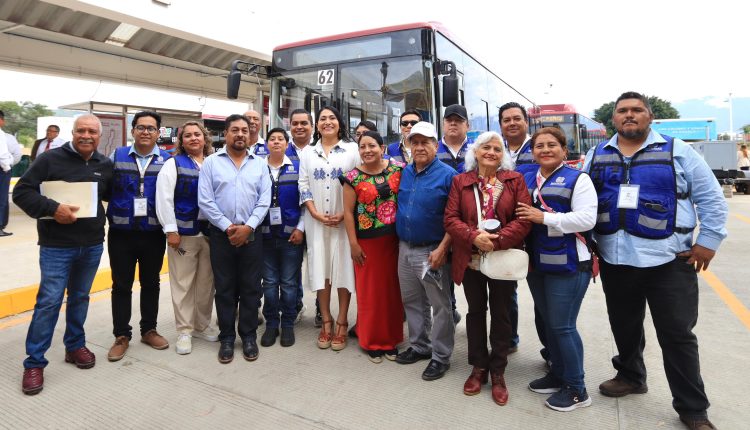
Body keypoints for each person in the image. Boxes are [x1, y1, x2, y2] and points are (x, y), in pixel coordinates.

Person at [584, 92, 728, 430]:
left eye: (637, 110)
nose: (629, 115)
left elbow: (711, 198)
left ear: (649, 117)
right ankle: (631, 376)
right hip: (616, 259)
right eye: (622, 111)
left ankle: (693, 409)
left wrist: (707, 242)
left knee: (677, 335)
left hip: (669, 261)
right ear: (613, 119)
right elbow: (583, 200)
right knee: (624, 326)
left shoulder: (679, 151)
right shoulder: (596, 154)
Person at [13, 114, 113, 395]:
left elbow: (111, 197)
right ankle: (34, 362)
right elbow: (21, 192)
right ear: (73, 132)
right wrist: (52, 208)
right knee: (49, 302)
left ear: (99, 136)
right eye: (81, 130)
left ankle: (74, 346)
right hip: (56, 246)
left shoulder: (104, 164)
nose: (86, 136)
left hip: (91, 244)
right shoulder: (49, 159)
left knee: (80, 297)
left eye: (92, 131)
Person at [444, 131, 531, 406]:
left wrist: (498, 240)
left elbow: (523, 219)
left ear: (502, 155)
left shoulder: (515, 180)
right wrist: (473, 237)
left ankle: (498, 371)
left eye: (497, 149)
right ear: (476, 152)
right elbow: (451, 219)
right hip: (471, 259)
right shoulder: (460, 181)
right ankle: (478, 366)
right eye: (486, 148)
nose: (491, 152)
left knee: (502, 313)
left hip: (502, 257)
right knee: (476, 312)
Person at [515, 127, 597, 412]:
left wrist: (545, 218)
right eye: (539, 146)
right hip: (538, 263)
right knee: (550, 323)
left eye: (552, 145)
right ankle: (558, 374)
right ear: (533, 152)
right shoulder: (529, 178)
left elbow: (587, 219)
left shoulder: (579, 179)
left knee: (563, 326)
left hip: (570, 264)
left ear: (564, 150)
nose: (545, 150)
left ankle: (577, 389)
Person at [198, 114, 271, 363]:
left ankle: (248, 337)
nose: (240, 134)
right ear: (226, 134)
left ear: (250, 134)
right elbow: (205, 200)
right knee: (225, 289)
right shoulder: (211, 163)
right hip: (222, 236)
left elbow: (264, 200)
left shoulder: (259, 164)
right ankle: (227, 338)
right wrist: (229, 227)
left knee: (251, 288)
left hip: (252, 235)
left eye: (244, 130)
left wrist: (248, 227)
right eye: (235, 130)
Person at [106, 111, 172, 362]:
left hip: (153, 233)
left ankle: (149, 330)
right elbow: (105, 188)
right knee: (121, 285)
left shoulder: (168, 160)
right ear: (132, 130)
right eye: (141, 127)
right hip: (121, 233)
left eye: (151, 128)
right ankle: (121, 335)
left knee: (151, 283)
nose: (146, 132)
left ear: (158, 133)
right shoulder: (117, 156)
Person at [394, 121, 457, 381]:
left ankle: (440, 357)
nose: (419, 147)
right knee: (412, 301)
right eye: (415, 142)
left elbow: (456, 217)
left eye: (425, 142)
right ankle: (420, 346)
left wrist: (443, 248)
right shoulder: (405, 172)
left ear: (436, 145)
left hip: (432, 250)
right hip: (405, 248)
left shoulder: (448, 176)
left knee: (441, 306)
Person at [298, 106, 358, 351]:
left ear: (340, 123)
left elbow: (359, 182)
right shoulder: (308, 153)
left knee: (343, 270)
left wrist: (345, 214)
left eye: (332, 118)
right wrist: (313, 213)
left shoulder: (352, 150)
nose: (327, 122)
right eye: (322, 118)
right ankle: (326, 320)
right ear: (317, 125)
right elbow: (303, 185)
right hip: (317, 221)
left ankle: (342, 321)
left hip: (344, 222)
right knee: (320, 270)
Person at [341, 130, 404, 363]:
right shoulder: (352, 178)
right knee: (370, 293)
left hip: (394, 242)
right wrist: (353, 244)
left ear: (382, 148)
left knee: (391, 292)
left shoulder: (398, 169)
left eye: (372, 146)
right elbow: (348, 213)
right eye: (362, 147)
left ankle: (391, 338)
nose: (367, 150)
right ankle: (371, 340)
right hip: (366, 244)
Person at [155, 121, 218, 355]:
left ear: (205, 138)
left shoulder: (214, 163)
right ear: (181, 141)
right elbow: (164, 198)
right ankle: (184, 330)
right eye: (188, 135)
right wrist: (170, 230)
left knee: (206, 284)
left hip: (210, 233)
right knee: (183, 283)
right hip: (183, 234)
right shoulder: (173, 164)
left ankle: (202, 325)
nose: (193, 138)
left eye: (197, 134)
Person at [499, 101, 545, 357]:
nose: (512, 123)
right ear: (501, 125)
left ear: (526, 122)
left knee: (543, 295)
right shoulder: (496, 148)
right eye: (507, 120)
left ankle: (551, 351)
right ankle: (508, 339)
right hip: (505, 230)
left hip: (537, 230)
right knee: (506, 288)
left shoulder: (539, 146)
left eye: (517, 118)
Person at [258, 127, 304, 348]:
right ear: (267, 144)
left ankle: (287, 324)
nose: (276, 142)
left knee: (288, 283)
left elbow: (305, 201)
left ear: (287, 144)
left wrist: (301, 228)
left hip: (291, 236)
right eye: (272, 139)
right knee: (269, 283)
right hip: (264, 236)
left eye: (280, 139)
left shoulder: (298, 167)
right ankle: (271, 324)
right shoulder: (257, 167)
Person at [436, 104, 472, 324]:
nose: (453, 124)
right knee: (443, 272)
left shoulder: (477, 149)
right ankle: (450, 312)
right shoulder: (432, 148)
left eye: (458, 120)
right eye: (449, 120)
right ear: (443, 124)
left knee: (472, 275)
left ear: (467, 125)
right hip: (440, 221)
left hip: (470, 223)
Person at [288, 109, 314, 325]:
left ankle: (322, 309)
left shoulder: (319, 150)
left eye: (304, 123)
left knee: (320, 265)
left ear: (311, 126)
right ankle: (296, 304)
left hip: (317, 218)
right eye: (295, 123)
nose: (299, 127)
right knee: (292, 267)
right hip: (291, 221)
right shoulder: (281, 150)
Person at [0, 109, 22, 237]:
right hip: (2, 170)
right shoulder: (1, 135)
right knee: (2, 198)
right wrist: (6, 167)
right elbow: (2, 155)